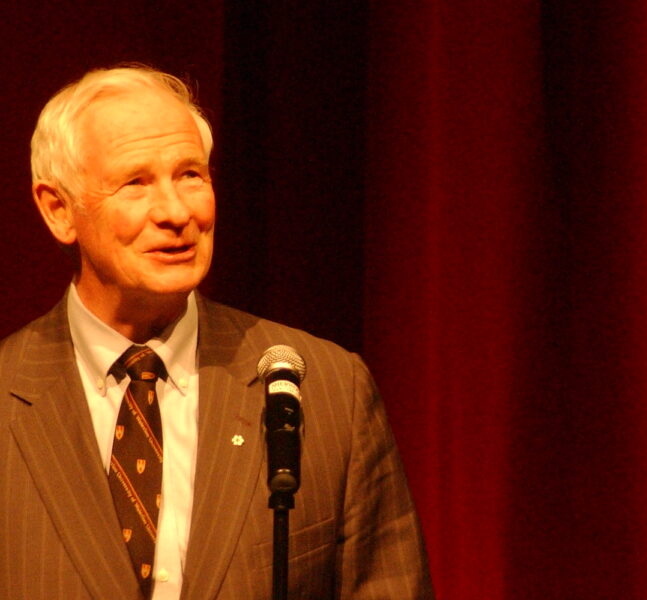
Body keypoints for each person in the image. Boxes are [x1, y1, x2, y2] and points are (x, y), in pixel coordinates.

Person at [0, 66, 433, 600]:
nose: (177, 212)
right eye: (135, 183)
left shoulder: (331, 390)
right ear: (58, 210)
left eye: (191, 175)